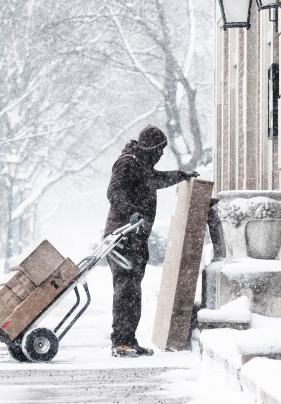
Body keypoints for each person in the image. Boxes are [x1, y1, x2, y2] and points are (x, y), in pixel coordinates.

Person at [104, 124, 199, 358]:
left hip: (134, 237)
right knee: (126, 290)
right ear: (151, 148)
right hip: (122, 237)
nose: (162, 154)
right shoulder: (128, 163)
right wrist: (131, 213)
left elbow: (157, 179)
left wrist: (181, 176)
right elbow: (114, 192)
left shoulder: (142, 165)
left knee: (132, 291)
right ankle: (120, 343)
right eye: (160, 149)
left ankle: (128, 340)